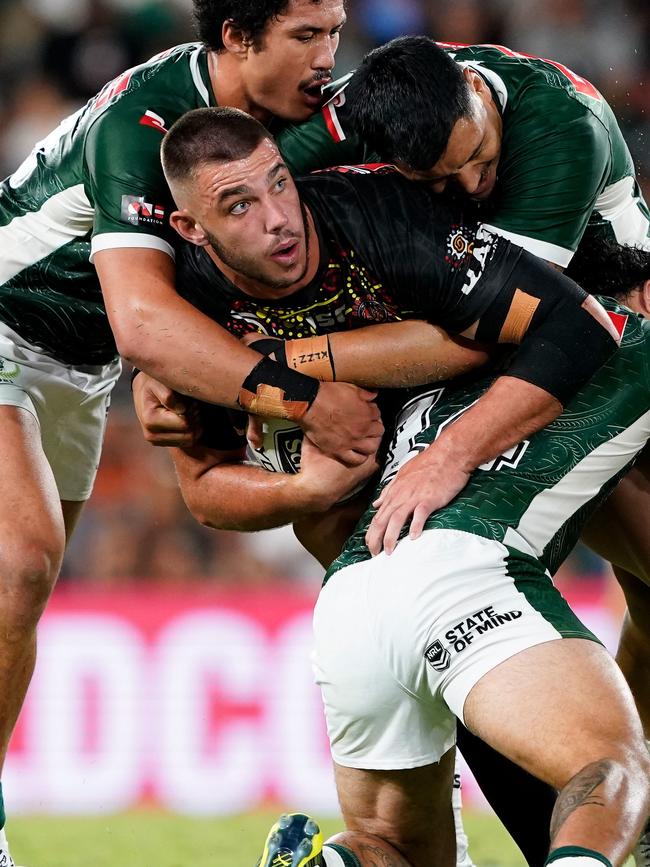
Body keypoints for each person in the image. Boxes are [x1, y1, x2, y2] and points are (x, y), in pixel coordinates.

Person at [0, 4, 389, 863]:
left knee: (17, 598)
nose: (329, 55)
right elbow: (142, 319)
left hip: (80, 367)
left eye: (334, 30)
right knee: (18, 563)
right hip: (8, 318)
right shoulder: (143, 123)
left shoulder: (295, 118)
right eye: (305, 36)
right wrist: (300, 396)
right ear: (237, 40)